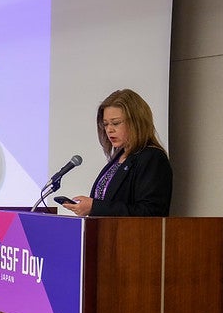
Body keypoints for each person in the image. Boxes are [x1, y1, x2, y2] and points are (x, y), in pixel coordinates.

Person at [63, 89, 172, 217]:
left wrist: (95, 207)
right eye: (105, 124)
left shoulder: (152, 158)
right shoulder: (120, 157)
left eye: (115, 123)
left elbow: (151, 212)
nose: (109, 130)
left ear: (136, 123)